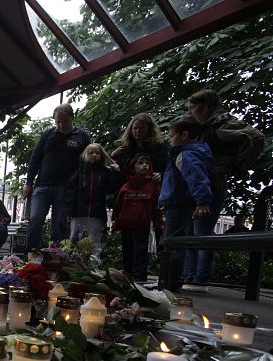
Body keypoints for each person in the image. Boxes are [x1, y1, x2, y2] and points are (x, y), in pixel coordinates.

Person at [183, 89, 265, 291]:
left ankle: (200, 279)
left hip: (213, 183)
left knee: (202, 232)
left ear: (205, 106)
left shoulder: (221, 125)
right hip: (196, 184)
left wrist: (233, 165)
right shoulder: (201, 127)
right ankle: (189, 276)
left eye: (194, 107)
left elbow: (254, 137)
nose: (191, 111)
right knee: (191, 232)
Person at [24, 104, 91, 252]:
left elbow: (88, 161)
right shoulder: (48, 134)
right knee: (35, 220)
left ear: (72, 118)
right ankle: (29, 256)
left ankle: (56, 257)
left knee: (59, 225)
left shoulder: (82, 136)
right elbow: (35, 159)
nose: (60, 125)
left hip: (66, 188)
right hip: (42, 186)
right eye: (57, 122)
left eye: (64, 121)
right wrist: (29, 182)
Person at [158, 115, 214, 292]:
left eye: (172, 135)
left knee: (173, 243)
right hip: (179, 203)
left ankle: (169, 283)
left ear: (184, 135)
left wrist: (202, 201)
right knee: (179, 242)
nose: (170, 140)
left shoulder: (185, 155)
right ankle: (174, 281)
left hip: (178, 203)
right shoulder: (191, 153)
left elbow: (197, 178)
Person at [112, 154, 162, 282]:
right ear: (133, 168)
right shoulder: (126, 186)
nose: (144, 165)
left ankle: (140, 274)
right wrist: (116, 222)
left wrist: (158, 223)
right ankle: (127, 272)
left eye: (147, 163)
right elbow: (118, 206)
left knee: (141, 250)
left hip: (142, 225)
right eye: (140, 163)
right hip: (126, 224)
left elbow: (157, 206)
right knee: (127, 249)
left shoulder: (153, 185)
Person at [64, 143, 120, 254]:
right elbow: (70, 191)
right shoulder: (79, 171)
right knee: (74, 239)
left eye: (97, 153)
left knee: (94, 240)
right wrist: (69, 211)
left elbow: (111, 188)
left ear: (101, 155)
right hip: (78, 211)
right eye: (91, 153)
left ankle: (94, 265)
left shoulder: (105, 172)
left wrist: (116, 172)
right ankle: (72, 262)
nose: (94, 155)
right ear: (85, 155)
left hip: (96, 212)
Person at [111, 113, 168, 182]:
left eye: (142, 128)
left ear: (149, 129)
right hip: (130, 189)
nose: (138, 131)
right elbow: (118, 173)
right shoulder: (126, 149)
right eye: (135, 128)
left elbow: (167, 168)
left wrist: (161, 175)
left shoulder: (158, 148)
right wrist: (113, 156)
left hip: (153, 188)